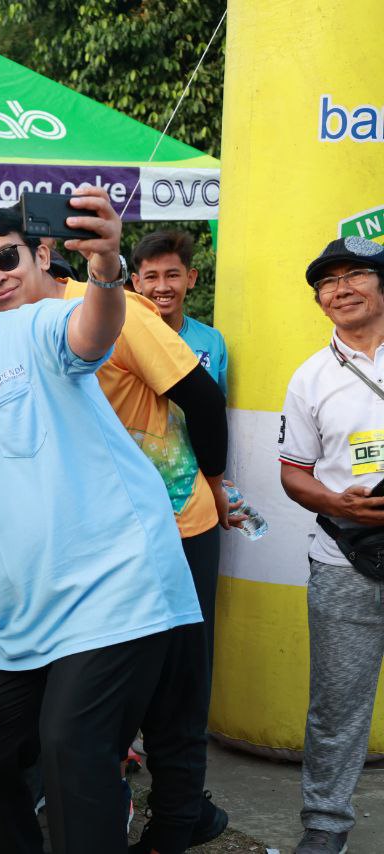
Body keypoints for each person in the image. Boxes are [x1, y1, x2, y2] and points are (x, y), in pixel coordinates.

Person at [0, 187, 202, 854]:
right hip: (17, 628)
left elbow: (93, 329)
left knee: (70, 746)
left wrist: (107, 267)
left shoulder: (31, 327)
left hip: (119, 594)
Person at [0, 205, 233, 853]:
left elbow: (199, 395)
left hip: (175, 526)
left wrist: (217, 490)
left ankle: (174, 827)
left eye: (6, 258)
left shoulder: (111, 308)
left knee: (176, 700)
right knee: (94, 718)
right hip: (92, 551)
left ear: (42, 251)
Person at [278, 236, 384, 854]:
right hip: (344, 558)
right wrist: (336, 502)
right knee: (337, 708)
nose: (340, 289)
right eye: (327, 282)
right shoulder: (311, 377)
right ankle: (324, 827)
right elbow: (294, 472)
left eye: (355, 276)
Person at [131, 230, 229, 393]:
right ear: (137, 282)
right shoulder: (124, 340)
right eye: (151, 277)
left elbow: (220, 407)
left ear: (190, 278)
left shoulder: (212, 341)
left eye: (172, 275)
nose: (162, 287)